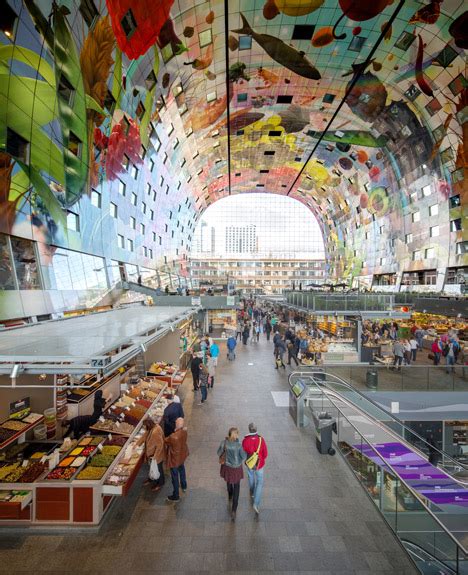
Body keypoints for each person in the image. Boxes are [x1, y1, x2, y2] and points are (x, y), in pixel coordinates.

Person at [217, 427, 246, 521]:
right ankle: (234, 509)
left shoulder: (224, 443)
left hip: (227, 466)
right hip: (236, 468)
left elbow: (218, 452)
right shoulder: (239, 445)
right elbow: (244, 456)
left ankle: (230, 494)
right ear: (236, 435)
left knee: (228, 481)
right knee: (237, 486)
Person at [242, 423, 268, 515]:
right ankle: (256, 504)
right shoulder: (261, 439)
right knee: (260, 482)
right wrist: (261, 459)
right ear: (256, 430)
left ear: (249, 430)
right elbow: (265, 453)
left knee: (250, 476)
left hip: (250, 463)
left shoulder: (245, 440)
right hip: (259, 464)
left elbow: (244, 450)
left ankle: (252, 491)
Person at [165, 417, 189, 502]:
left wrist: (175, 431)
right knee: (182, 470)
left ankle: (176, 495)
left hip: (174, 459)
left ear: (177, 425)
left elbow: (165, 441)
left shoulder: (173, 436)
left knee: (174, 477)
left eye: (176, 423)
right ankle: (184, 485)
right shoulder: (184, 432)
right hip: (182, 456)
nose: (175, 423)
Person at [139, 418, 165, 491]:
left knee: (158, 469)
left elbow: (160, 445)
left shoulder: (155, 432)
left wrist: (155, 457)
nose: (144, 427)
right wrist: (137, 444)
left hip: (156, 456)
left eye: (144, 426)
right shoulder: (153, 428)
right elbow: (145, 435)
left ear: (148, 425)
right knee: (152, 468)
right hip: (151, 455)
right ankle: (151, 479)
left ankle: (160, 483)